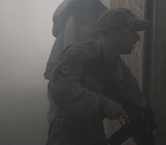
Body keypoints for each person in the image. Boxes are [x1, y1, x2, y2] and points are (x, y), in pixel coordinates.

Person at [46, 8, 157, 145]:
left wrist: (144, 117)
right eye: (132, 32)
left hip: (94, 135)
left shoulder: (120, 69)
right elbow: (58, 88)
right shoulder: (80, 55)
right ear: (114, 34)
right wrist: (102, 104)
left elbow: (137, 99)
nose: (137, 38)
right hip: (66, 135)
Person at [44, 0, 108, 79]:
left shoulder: (105, 15)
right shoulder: (71, 7)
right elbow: (55, 32)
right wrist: (66, 13)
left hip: (90, 66)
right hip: (66, 62)